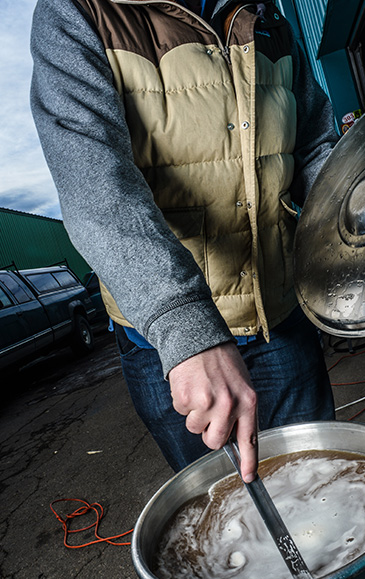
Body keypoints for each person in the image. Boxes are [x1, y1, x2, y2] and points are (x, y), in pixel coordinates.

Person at [30, 0, 338, 482]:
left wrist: (361, 229)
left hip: (281, 319)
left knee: (319, 486)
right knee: (230, 514)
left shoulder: (266, 16)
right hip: (169, 348)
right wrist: (185, 327)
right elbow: (95, 186)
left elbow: (314, 146)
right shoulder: (77, 12)